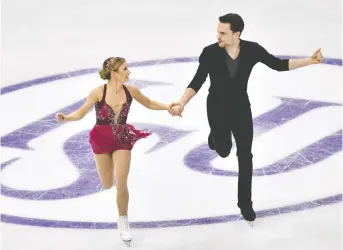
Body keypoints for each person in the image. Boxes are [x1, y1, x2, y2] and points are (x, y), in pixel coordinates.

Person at [169, 13, 323, 224]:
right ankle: (215, 138)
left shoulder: (252, 50)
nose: (218, 36)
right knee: (223, 150)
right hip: (217, 109)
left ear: (237, 34)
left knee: (245, 155)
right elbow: (197, 80)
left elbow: (278, 64)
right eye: (217, 31)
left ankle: (245, 204)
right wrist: (182, 102)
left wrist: (310, 61)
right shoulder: (210, 53)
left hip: (241, 108)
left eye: (223, 33)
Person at [56, 57, 171, 246]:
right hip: (101, 140)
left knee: (121, 182)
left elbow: (149, 102)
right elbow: (81, 112)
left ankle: (123, 221)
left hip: (121, 139)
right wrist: (66, 117)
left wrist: (168, 107)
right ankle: (112, 188)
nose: (129, 72)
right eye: (125, 69)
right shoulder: (98, 92)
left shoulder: (130, 91)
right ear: (114, 73)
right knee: (108, 183)